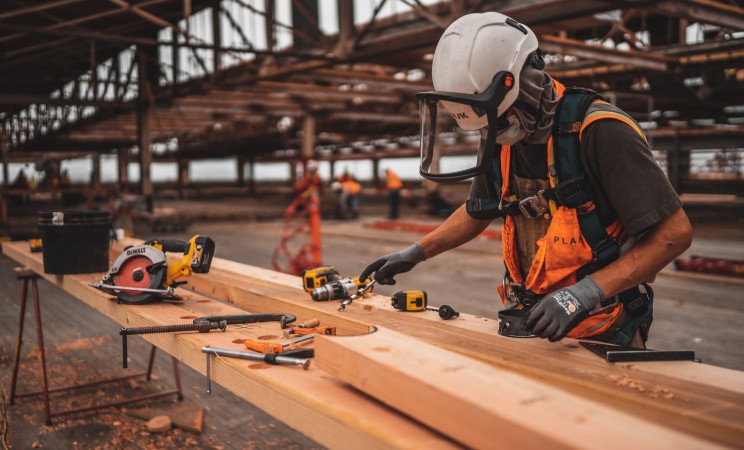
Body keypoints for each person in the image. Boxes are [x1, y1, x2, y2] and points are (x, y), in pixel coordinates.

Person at [360, 12, 692, 349]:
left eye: (500, 119)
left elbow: (674, 234)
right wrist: (415, 252)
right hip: (530, 320)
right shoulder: (499, 135)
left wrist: (584, 293)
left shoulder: (600, 131)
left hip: (604, 325)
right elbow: (479, 210)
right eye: (488, 124)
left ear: (525, 83)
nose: (494, 132)